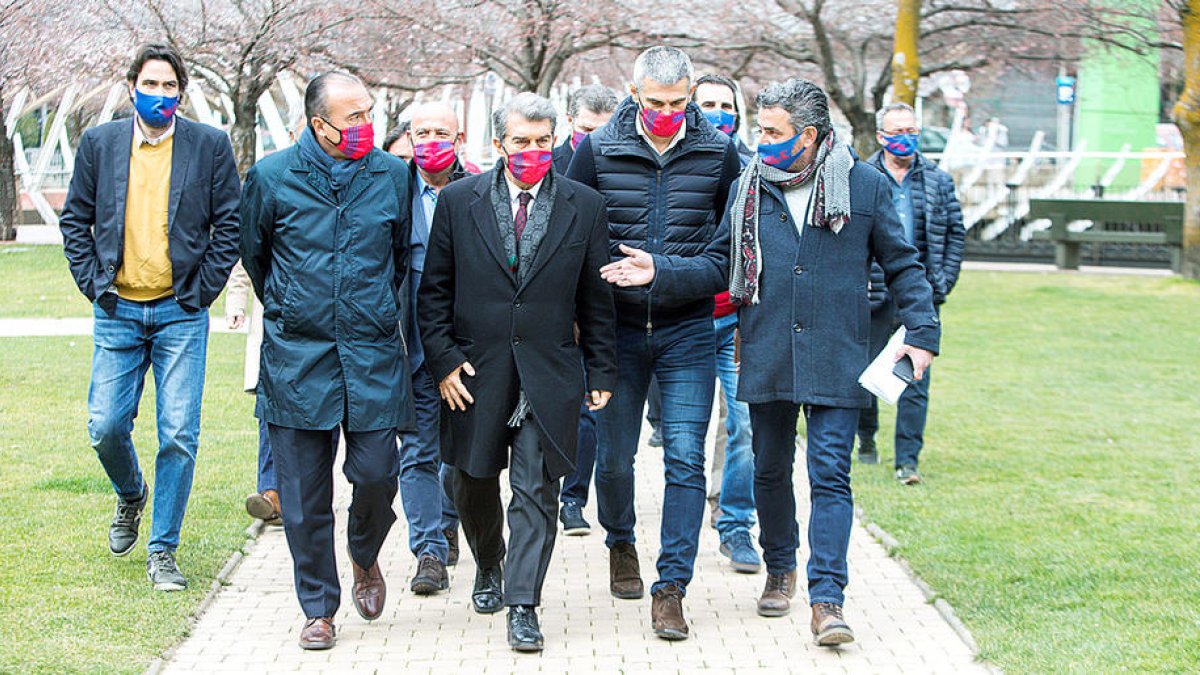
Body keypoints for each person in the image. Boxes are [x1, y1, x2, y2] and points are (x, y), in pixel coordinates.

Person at [726, 78, 940, 645]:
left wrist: (922, 331)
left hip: (837, 355)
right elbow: (713, 261)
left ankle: (827, 599)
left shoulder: (864, 185)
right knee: (769, 471)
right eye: (760, 128)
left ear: (809, 135)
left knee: (830, 476)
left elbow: (904, 265)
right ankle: (780, 568)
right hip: (768, 350)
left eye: (773, 131)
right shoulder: (747, 185)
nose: (761, 140)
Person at [419, 92, 617, 652]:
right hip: (474, 371)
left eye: (542, 141)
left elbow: (595, 299)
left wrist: (600, 368)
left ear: (555, 141)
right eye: (521, 141)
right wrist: (442, 360)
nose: (532, 151)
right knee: (470, 479)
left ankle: (523, 603)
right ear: (499, 144)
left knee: (535, 489)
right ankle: (488, 563)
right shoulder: (459, 201)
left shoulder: (585, 205)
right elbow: (432, 293)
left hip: (548, 371)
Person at [567, 46, 742, 641]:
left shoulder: (721, 155)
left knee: (685, 458)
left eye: (678, 102)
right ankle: (620, 543)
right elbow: (570, 237)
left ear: (691, 95)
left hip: (688, 331)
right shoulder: (597, 150)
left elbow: (732, 257)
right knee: (614, 461)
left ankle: (672, 588)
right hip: (614, 335)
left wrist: (661, 272)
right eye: (656, 102)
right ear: (634, 93)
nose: (668, 112)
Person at [240, 71, 414, 651]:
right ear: (319, 125)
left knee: (376, 474)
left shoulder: (393, 176)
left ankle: (364, 553)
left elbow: (396, 259)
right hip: (297, 359)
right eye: (354, 117)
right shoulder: (270, 177)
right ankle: (318, 606)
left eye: (370, 111)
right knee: (304, 496)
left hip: (370, 354)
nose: (367, 125)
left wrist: (366, 307)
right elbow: (257, 257)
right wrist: (295, 306)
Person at [60, 43, 240, 592]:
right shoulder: (101, 143)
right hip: (118, 307)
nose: (160, 95)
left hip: (180, 312)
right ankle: (131, 493)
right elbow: (76, 221)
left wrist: (202, 293)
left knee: (179, 434)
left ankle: (163, 549)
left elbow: (229, 226)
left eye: (169, 87)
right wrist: (96, 284)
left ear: (180, 92)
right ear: (132, 84)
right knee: (105, 426)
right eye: (150, 84)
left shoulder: (208, 146)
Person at [857, 102, 965, 483]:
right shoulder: (863, 177)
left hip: (919, 295)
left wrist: (942, 282)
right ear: (882, 137)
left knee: (915, 375)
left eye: (911, 131)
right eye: (897, 132)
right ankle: (866, 437)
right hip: (873, 293)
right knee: (867, 372)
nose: (906, 139)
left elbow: (955, 234)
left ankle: (907, 460)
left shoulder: (938, 180)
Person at [397, 101, 476, 594]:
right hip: (408, 344)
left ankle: (450, 520)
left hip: (466, 344)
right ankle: (428, 549)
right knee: (418, 449)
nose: (431, 140)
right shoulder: (390, 190)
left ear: (459, 138)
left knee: (461, 452)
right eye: (421, 132)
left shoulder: (479, 192)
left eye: (440, 132)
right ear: (408, 137)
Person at [553, 83, 618, 537]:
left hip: (604, 299)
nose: (591, 140)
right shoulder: (549, 163)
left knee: (591, 410)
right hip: (555, 306)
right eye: (584, 130)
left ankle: (574, 497)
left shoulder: (622, 162)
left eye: (602, 130)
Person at [552, 84, 619, 174]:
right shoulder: (549, 167)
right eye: (587, 129)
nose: (594, 137)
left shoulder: (625, 166)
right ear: (570, 119)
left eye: (602, 131)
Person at [695, 73, 753, 166]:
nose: (719, 113)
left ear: (735, 115)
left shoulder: (752, 168)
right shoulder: (673, 158)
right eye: (709, 105)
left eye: (726, 106)